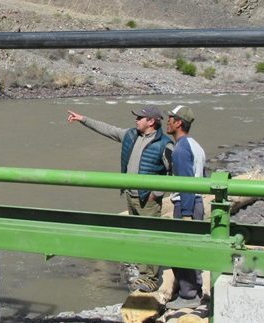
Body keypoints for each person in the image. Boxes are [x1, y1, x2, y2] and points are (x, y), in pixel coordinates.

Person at [67, 105, 172, 291]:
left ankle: (152, 278)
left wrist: (156, 194)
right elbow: (107, 129)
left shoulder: (165, 144)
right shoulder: (130, 135)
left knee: (150, 237)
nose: (136, 120)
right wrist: (83, 119)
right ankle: (143, 272)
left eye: (140, 117)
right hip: (131, 196)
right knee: (137, 236)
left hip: (148, 199)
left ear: (152, 121)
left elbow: (174, 173)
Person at [164, 104, 206, 308]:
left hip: (186, 204)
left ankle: (188, 296)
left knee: (183, 249)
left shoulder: (180, 149)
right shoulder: (195, 145)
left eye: (170, 118)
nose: (167, 121)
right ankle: (194, 291)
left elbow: (186, 183)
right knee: (193, 248)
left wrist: (187, 213)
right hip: (196, 202)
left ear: (179, 122)